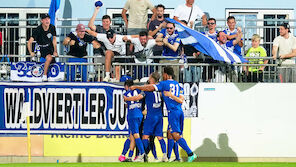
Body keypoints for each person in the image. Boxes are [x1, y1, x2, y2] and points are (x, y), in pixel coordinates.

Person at [130, 66, 198, 162]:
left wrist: (137, 86)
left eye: (163, 74)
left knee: (175, 134)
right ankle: (168, 157)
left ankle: (190, 153)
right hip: (179, 112)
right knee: (169, 134)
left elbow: (150, 87)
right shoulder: (178, 85)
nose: (163, 76)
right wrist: (172, 96)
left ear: (166, 74)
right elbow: (181, 100)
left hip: (172, 113)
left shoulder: (164, 84)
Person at [27, 14, 57, 81]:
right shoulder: (38, 30)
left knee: (53, 60)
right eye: (45, 19)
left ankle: (54, 76)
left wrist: (55, 50)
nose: (47, 20)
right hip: (41, 47)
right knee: (49, 58)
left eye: (48, 19)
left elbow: (54, 39)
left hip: (49, 46)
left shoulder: (52, 27)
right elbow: (29, 42)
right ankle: (44, 75)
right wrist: (31, 52)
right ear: (42, 21)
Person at [88, 6, 114, 79]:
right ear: (102, 22)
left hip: (108, 56)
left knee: (109, 75)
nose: (105, 23)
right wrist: (96, 11)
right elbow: (90, 25)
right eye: (104, 22)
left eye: (107, 22)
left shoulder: (113, 32)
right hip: (98, 54)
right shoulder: (99, 28)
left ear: (110, 22)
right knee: (99, 75)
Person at [123, 79, 146, 162]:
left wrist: (127, 99)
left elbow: (126, 103)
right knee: (132, 136)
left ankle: (142, 153)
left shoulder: (126, 94)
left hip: (132, 115)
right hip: (140, 114)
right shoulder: (140, 90)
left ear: (126, 86)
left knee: (135, 135)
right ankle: (130, 156)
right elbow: (141, 97)